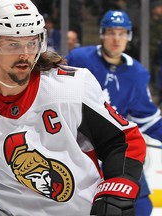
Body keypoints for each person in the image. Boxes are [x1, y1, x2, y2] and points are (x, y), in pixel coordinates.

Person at [0, 1, 146, 216]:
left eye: (32, 42)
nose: (25, 54)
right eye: (13, 44)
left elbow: (124, 139)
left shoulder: (71, 87)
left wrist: (116, 190)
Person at [66, 10, 162, 216]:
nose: (116, 39)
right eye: (111, 32)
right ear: (101, 34)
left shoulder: (137, 72)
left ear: (129, 37)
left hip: (116, 147)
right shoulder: (79, 58)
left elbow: (147, 117)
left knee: (142, 205)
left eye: (122, 33)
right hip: (81, 148)